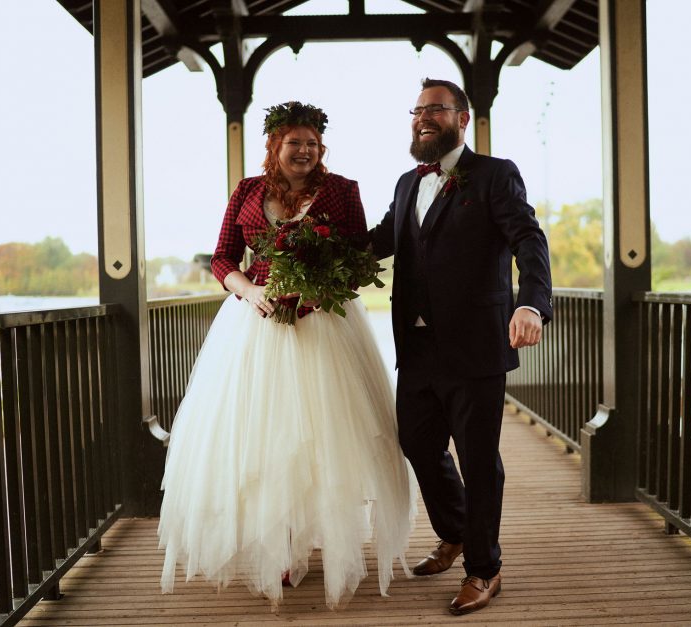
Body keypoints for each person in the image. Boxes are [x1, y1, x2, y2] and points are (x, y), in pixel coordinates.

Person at [158, 101, 415, 610]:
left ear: (323, 149)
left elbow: (360, 258)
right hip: (256, 326)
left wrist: (318, 295)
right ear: (274, 146)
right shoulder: (247, 193)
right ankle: (281, 542)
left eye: (312, 143)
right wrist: (248, 293)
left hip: (324, 325)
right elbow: (223, 257)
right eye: (293, 142)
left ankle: (316, 535)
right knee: (263, 436)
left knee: (324, 437)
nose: (303, 150)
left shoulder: (343, 192)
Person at [369, 78, 552, 616]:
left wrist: (531, 304)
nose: (423, 118)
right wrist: (311, 253)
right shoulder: (407, 182)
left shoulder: (494, 175)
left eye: (435, 110)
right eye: (417, 110)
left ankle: (484, 567)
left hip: (476, 346)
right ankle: (453, 533)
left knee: (478, 460)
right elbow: (381, 241)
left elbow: (528, 239)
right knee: (417, 443)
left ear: (462, 118)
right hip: (418, 346)